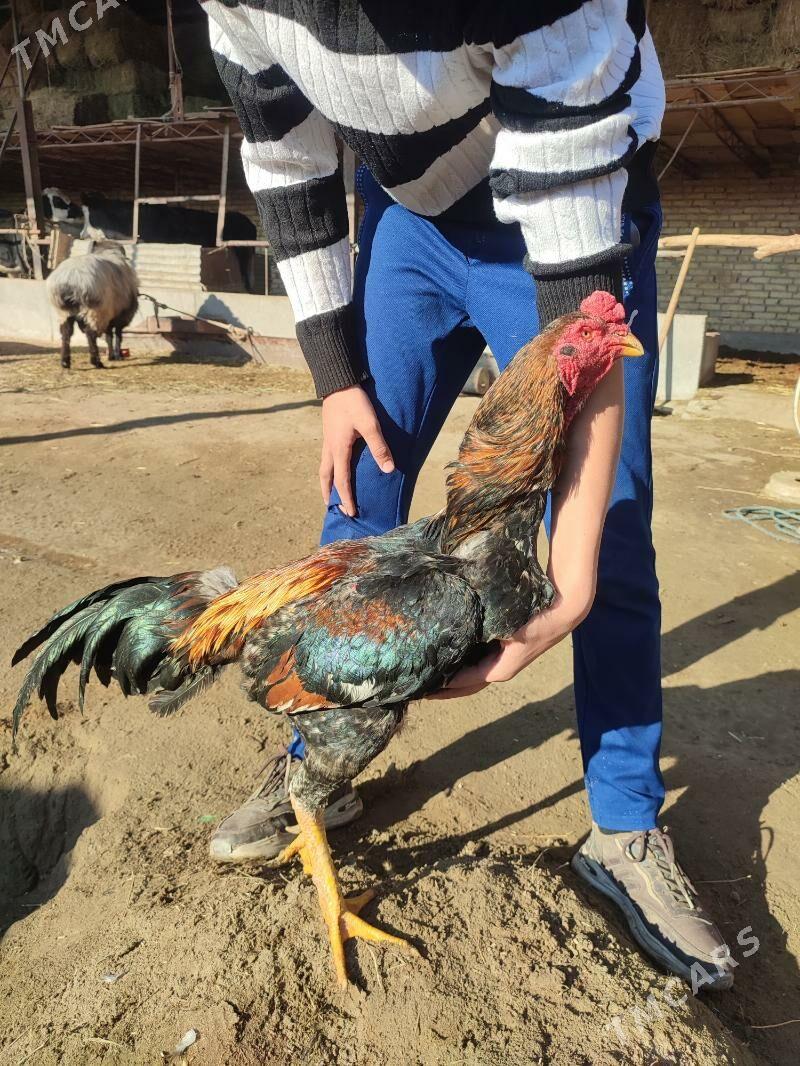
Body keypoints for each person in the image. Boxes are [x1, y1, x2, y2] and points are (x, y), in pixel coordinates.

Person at [200, 0, 733, 989]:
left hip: (564, 213)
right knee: (358, 496)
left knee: (607, 538)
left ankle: (622, 828)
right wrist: (334, 377)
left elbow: (578, 278)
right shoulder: (235, 8)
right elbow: (284, 152)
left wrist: (568, 574)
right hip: (410, 221)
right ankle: (317, 767)